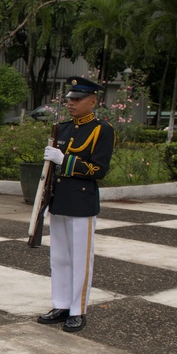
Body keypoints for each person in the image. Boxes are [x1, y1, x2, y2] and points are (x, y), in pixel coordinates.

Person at [36, 76, 114, 333]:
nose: (71, 103)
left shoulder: (102, 130)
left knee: (80, 259)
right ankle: (61, 304)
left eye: (77, 99)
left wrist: (64, 161)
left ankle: (78, 310)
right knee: (59, 257)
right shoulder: (63, 128)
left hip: (82, 202)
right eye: (69, 99)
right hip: (60, 200)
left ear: (93, 101)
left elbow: (98, 169)